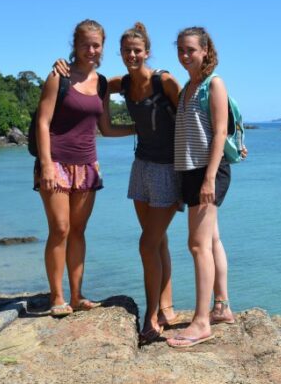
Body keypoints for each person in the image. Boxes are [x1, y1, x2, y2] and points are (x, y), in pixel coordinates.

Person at [52, 23, 186, 340]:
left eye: (137, 50)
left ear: (147, 52)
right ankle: (166, 307)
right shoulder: (121, 83)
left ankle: (151, 318)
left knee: (147, 243)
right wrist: (62, 67)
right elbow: (87, 81)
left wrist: (203, 162)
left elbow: (190, 113)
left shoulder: (164, 81)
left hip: (168, 168)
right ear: (120, 53)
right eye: (126, 51)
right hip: (141, 166)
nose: (132, 55)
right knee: (157, 240)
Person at [35, 19, 134, 317]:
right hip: (56, 162)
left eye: (96, 45)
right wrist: (46, 165)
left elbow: (105, 127)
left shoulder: (102, 83)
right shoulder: (59, 77)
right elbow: (42, 122)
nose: (91, 50)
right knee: (60, 229)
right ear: (75, 46)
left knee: (78, 230)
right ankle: (57, 297)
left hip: (88, 164)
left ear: (102, 47)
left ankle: (77, 296)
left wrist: (141, 129)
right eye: (85, 45)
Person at [167, 26, 237, 348]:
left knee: (197, 246)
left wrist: (209, 178)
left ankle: (201, 321)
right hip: (191, 171)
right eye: (181, 49)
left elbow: (220, 132)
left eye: (190, 50)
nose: (185, 55)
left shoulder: (214, 84)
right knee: (212, 239)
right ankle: (221, 306)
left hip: (206, 172)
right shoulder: (187, 88)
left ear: (205, 50)